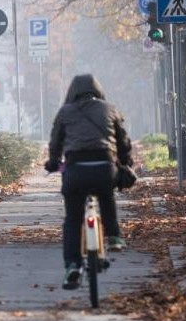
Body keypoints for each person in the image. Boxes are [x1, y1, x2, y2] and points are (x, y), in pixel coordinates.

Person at [43, 73, 133, 290]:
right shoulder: (110, 109)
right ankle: (114, 236)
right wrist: (125, 161)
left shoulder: (65, 112)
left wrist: (53, 162)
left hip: (75, 171)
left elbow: (55, 143)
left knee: (73, 219)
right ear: (98, 91)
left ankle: (73, 264)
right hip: (105, 167)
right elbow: (123, 142)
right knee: (106, 194)